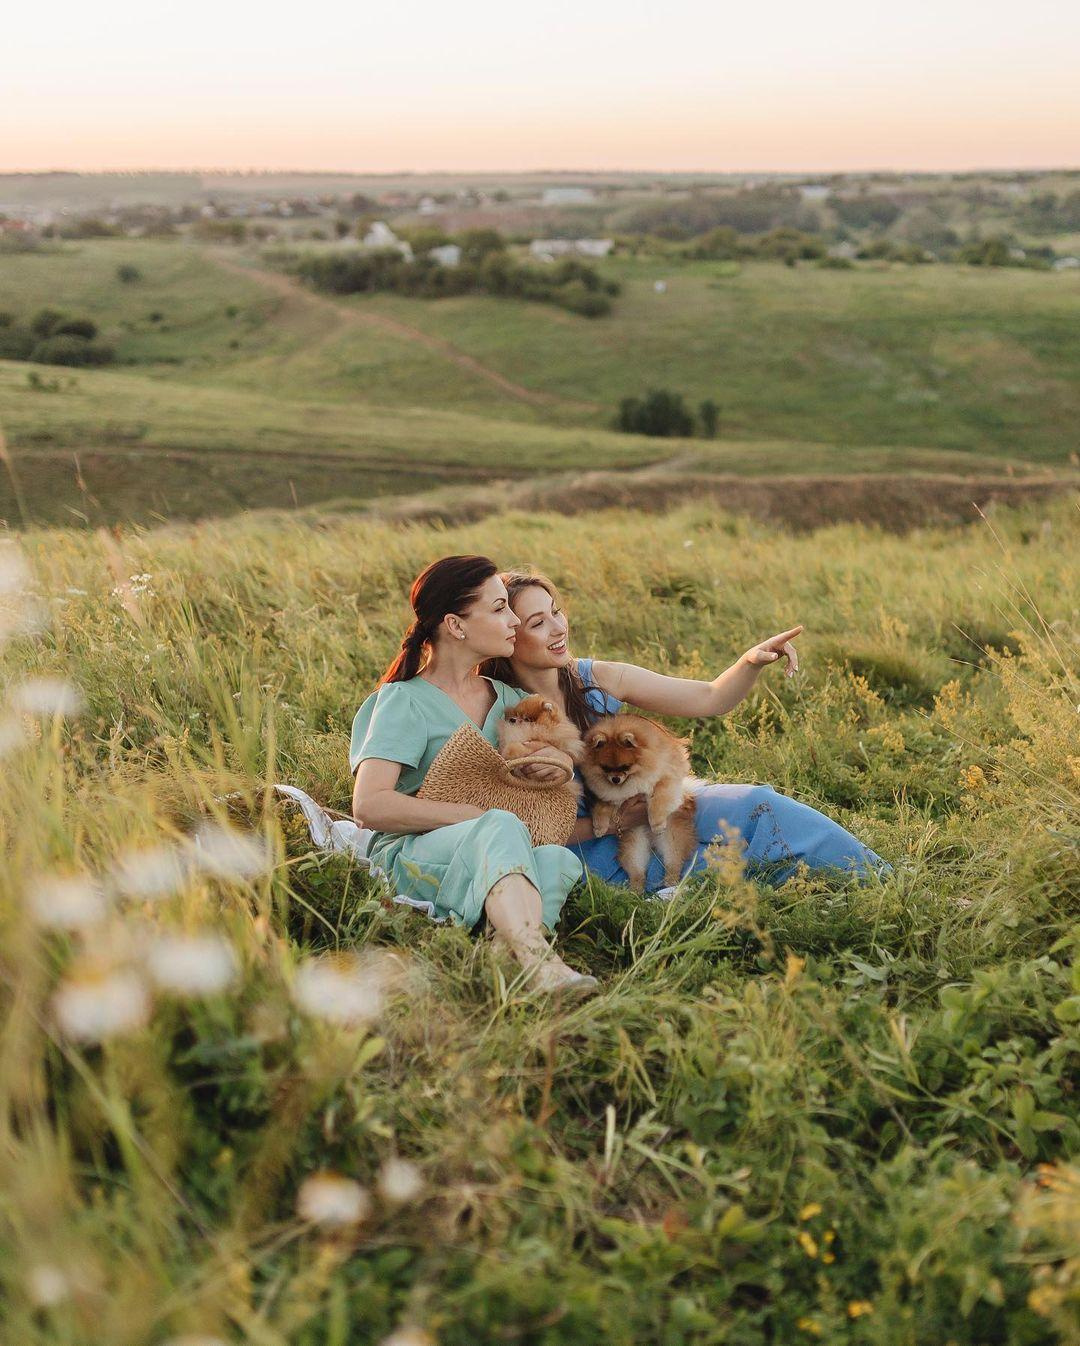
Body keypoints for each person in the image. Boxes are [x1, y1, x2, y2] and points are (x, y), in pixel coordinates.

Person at [480, 570, 889, 892]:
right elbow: (516, 825)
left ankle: (885, 879)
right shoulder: (502, 712)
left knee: (759, 804)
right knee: (700, 872)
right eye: (538, 622)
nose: (558, 627)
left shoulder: (595, 678)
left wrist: (750, 661)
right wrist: (619, 821)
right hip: (586, 843)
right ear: (507, 635)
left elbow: (709, 698)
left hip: (655, 806)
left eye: (556, 611)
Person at [350, 555, 597, 996]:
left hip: (496, 843)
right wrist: (468, 814)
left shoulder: (509, 698)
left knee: (558, 860)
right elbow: (369, 806)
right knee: (499, 823)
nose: (515, 621)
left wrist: (553, 766)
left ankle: (498, 963)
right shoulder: (404, 701)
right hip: (413, 852)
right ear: (456, 625)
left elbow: (561, 755)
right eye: (500, 608)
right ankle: (542, 964)